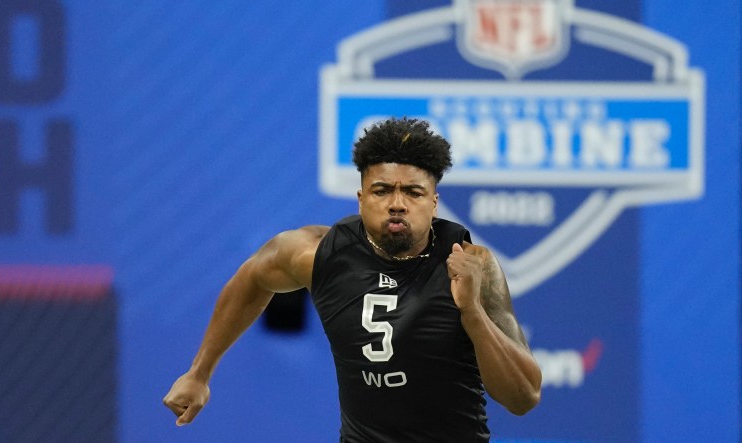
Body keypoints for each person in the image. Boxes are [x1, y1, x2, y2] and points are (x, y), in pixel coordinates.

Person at [163, 117, 542, 441]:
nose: (397, 203)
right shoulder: (318, 254)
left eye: (413, 192)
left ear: (434, 203)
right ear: (361, 199)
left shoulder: (470, 264)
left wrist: (472, 313)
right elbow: (252, 279)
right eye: (382, 190)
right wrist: (199, 372)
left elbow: (523, 397)